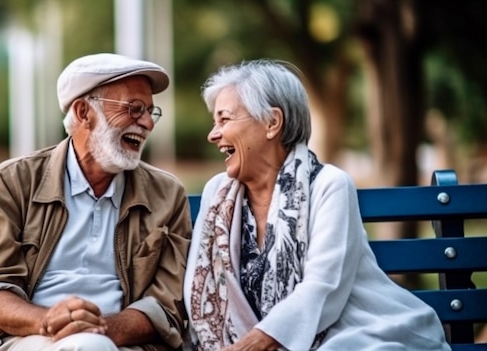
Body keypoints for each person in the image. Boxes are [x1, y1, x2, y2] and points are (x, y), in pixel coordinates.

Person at [183, 59, 451, 351]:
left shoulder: (328, 185)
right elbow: (197, 286)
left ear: (272, 122)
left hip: (355, 334)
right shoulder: (216, 193)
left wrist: (251, 346)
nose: (213, 134)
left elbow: (324, 287)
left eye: (224, 119)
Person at [0, 53, 192, 351]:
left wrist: (100, 329)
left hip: (122, 343)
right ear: (83, 113)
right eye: (134, 108)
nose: (146, 123)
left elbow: (168, 302)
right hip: (22, 338)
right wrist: (50, 321)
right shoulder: (13, 182)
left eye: (150, 112)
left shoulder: (167, 194)